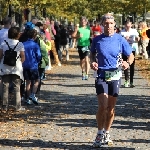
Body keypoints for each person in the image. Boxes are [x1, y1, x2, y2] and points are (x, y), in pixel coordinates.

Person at [90, 13, 134, 148]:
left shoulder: (120, 39)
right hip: (101, 75)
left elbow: (130, 55)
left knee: (110, 108)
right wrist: (92, 63)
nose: (108, 26)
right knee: (102, 106)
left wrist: (127, 63)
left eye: (111, 23)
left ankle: (107, 132)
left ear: (114, 25)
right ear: (102, 24)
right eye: (106, 23)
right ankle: (99, 132)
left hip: (115, 75)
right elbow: (92, 55)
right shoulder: (97, 40)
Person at [0, 27, 25, 111]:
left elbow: (0, 56)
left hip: (5, 68)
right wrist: (19, 62)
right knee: (16, 88)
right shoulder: (20, 44)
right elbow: (23, 57)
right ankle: (18, 106)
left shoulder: (4, 43)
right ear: (18, 34)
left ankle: (4, 106)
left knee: (5, 87)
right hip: (16, 68)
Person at [22, 29, 41, 105]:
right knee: (37, 80)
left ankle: (28, 98)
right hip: (33, 65)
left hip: (25, 65)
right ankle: (33, 95)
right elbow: (38, 55)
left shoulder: (23, 44)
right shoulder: (35, 45)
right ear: (35, 36)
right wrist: (38, 61)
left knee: (28, 82)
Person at [120, 20, 139, 87]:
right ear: (125, 25)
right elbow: (119, 40)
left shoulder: (134, 31)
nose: (128, 26)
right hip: (124, 50)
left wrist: (137, 38)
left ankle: (131, 81)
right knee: (125, 64)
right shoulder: (122, 32)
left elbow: (137, 38)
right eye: (126, 25)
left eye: (129, 24)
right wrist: (124, 38)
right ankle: (126, 80)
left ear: (131, 25)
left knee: (132, 65)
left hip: (132, 49)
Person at [0, 17, 12, 100]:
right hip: (10, 56)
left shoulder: (0, 32)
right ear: (10, 23)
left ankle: (2, 93)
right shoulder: (10, 33)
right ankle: (7, 91)